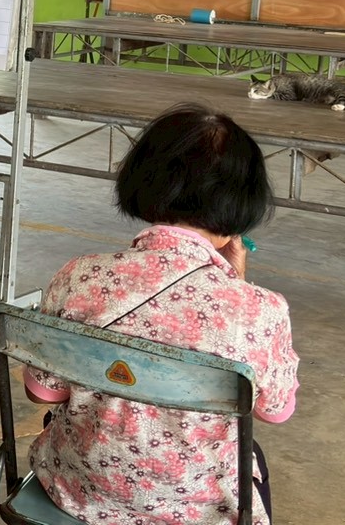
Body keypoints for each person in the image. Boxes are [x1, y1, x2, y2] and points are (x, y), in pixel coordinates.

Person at [24, 104, 298, 525]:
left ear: (143, 182)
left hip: (78, 487)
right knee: (251, 457)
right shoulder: (259, 310)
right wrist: (238, 284)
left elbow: (43, 393)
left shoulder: (78, 276)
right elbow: (274, 411)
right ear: (239, 209)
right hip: (199, 510)